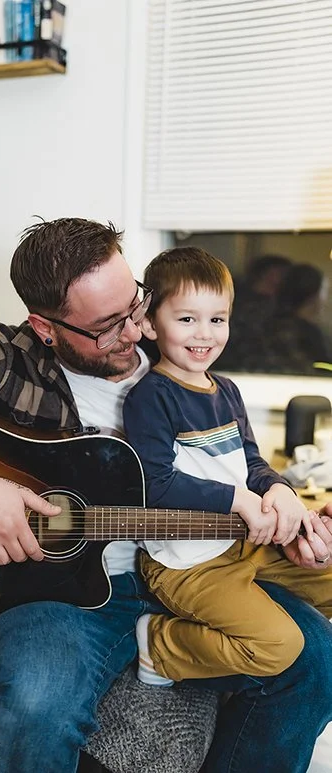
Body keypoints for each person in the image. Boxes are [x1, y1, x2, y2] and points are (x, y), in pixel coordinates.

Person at [0, 218, 332, 773]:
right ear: (45, 327)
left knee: (317, 659)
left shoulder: (185, 360)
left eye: (136, 304)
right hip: (61, 588)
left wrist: (280, 499)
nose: (135, 331)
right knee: (32, 702)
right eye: (107, 327)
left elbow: (237, 460)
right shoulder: (5, 357)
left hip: (196, 565)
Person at [122, 246, 332, 689]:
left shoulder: (228, 390)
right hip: (187, 560)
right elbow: (153, 485)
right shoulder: (152, 397)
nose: (204, 333)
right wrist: (241, 500)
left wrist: (278, 490)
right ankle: (159, 646)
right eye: (186, 319)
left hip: (243, 540)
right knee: (279, 647)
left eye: (217, 319)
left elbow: (251, 462)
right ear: (149, 322)